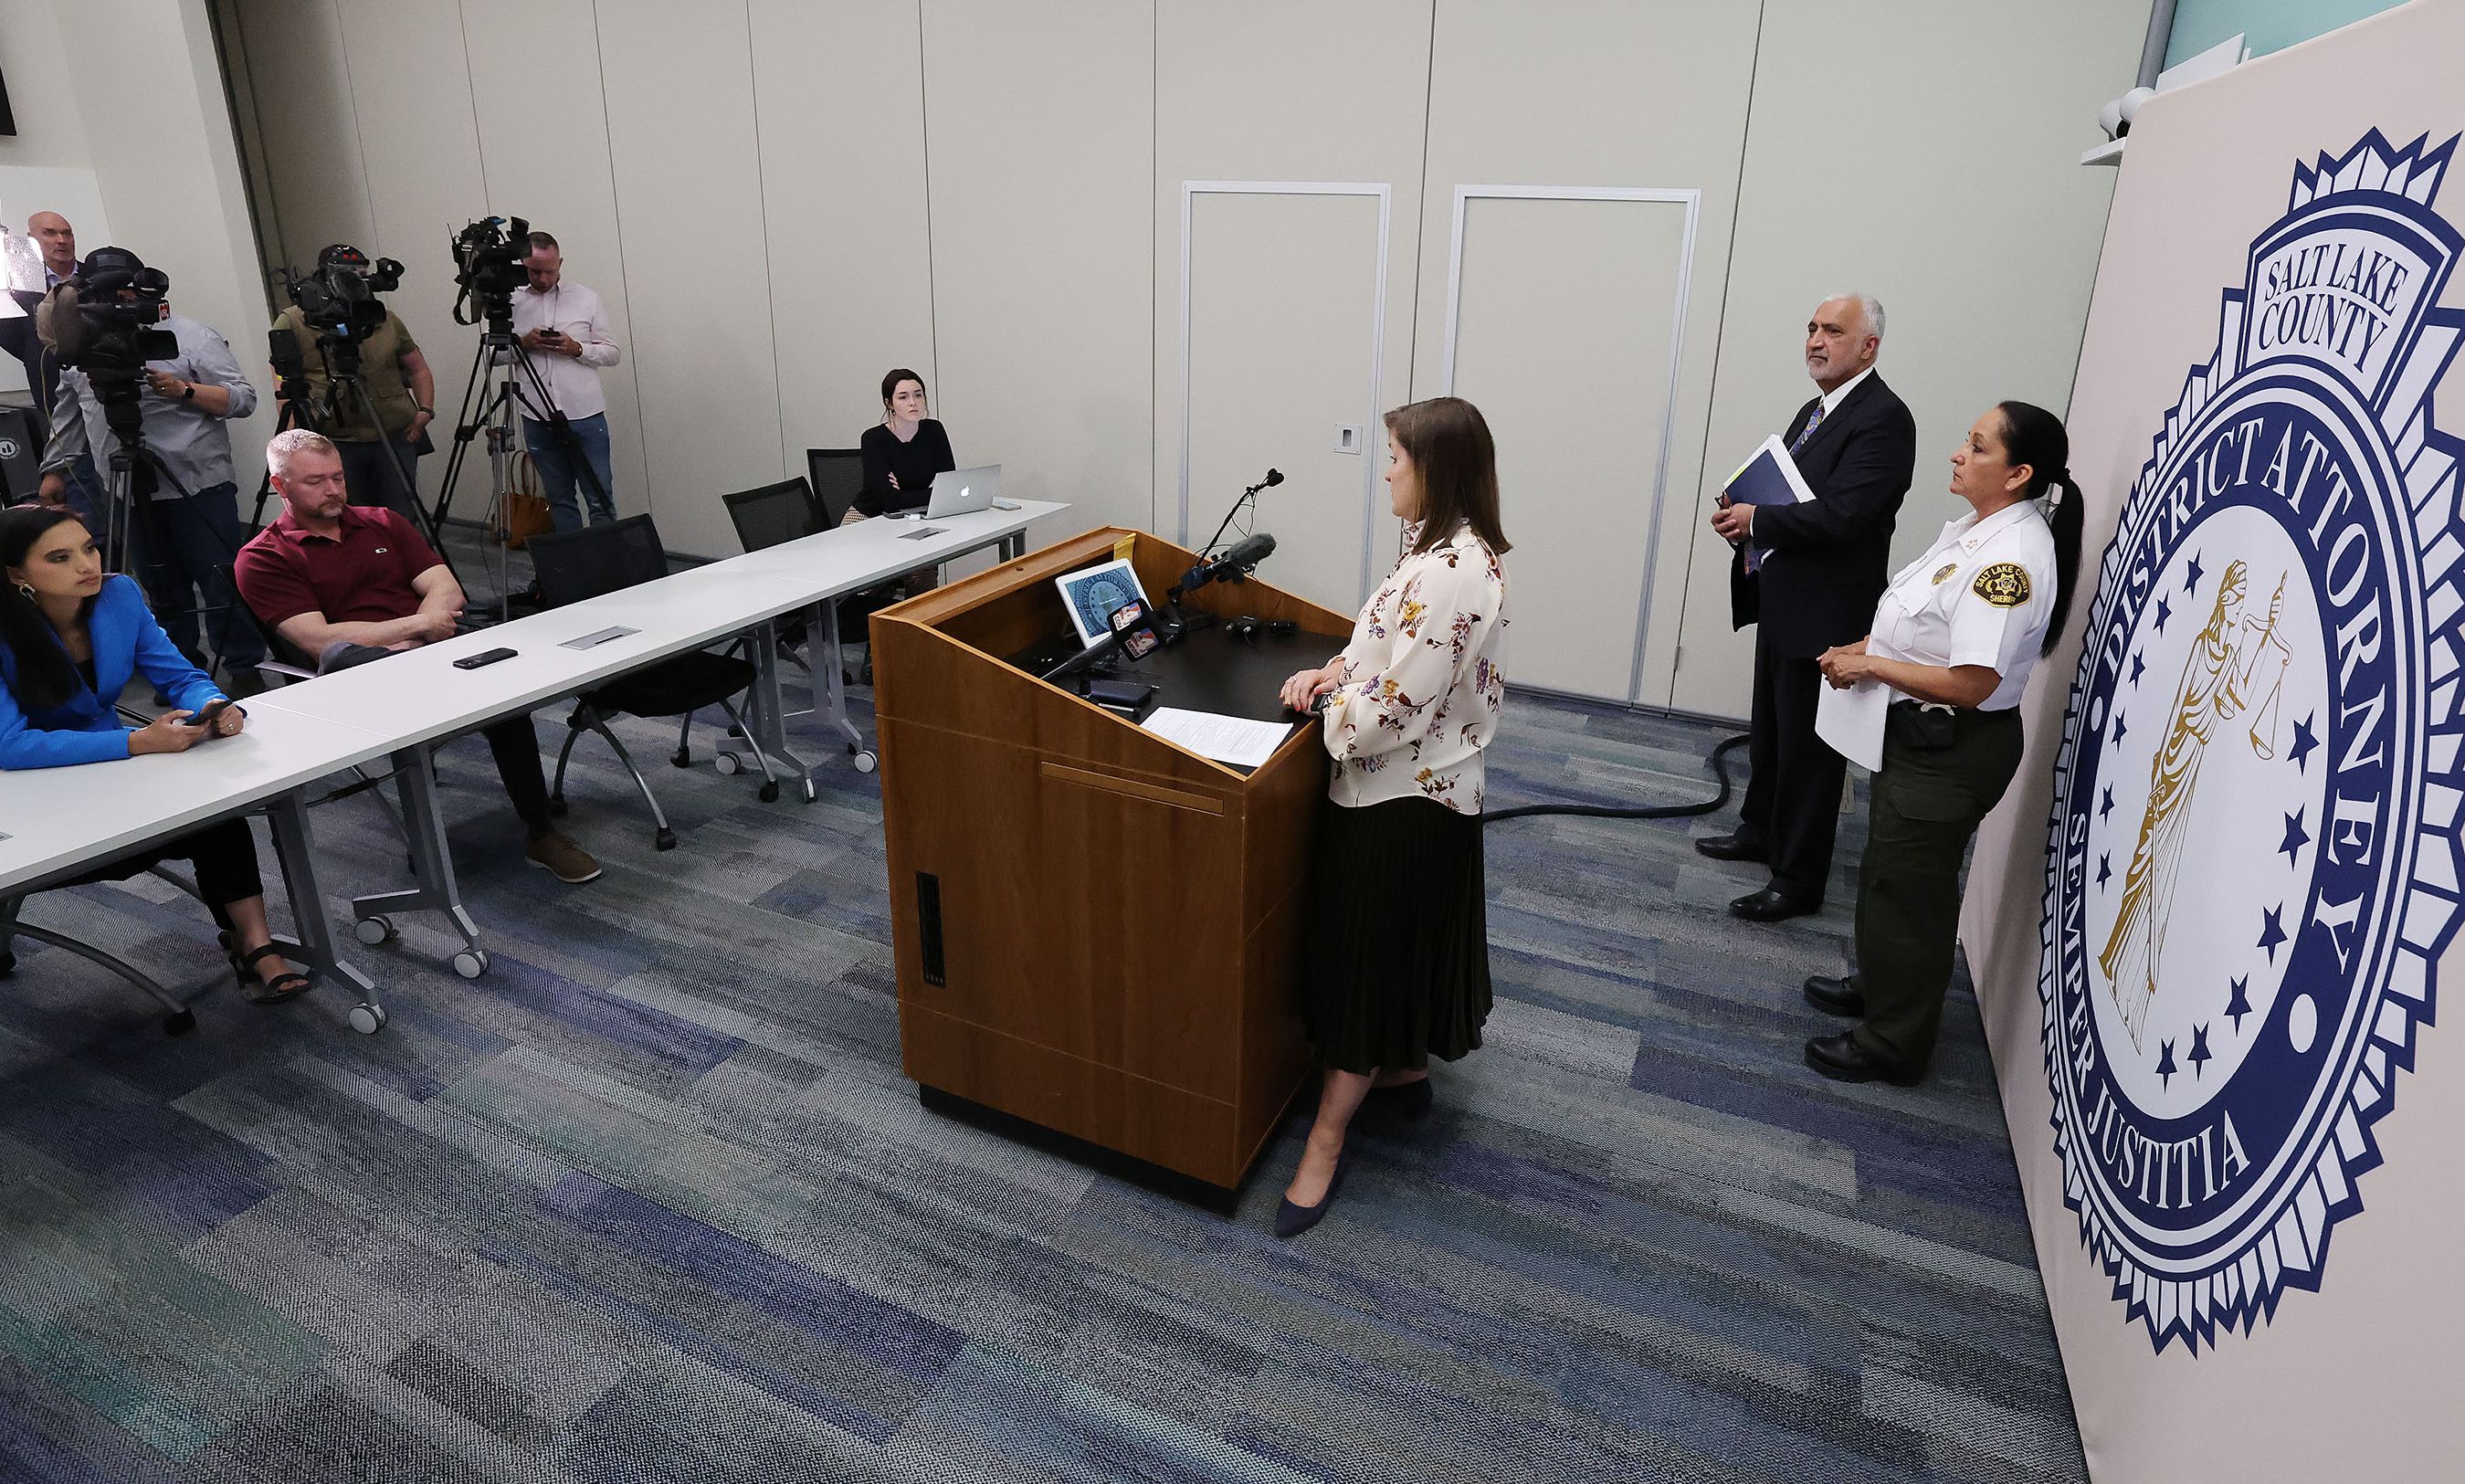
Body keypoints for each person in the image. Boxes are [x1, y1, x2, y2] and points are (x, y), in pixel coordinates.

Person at [1273, 395, 1511, 1237]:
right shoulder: (1441, 549)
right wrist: (1335, 665)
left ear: (1434, 470)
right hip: (1418, 789)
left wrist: (1325, 707)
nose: (1384, 473)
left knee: (1368, 958)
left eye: (1395, 460)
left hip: (1402, 796)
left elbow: (1395, 705)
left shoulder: (1452, 570)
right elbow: (1384, 642)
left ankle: (1326, 1141)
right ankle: (1402, 1068)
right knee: (1399, 944)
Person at [1801, 400, 2082, 1083]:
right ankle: (1882, 986)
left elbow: (1970, 682)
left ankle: (1893, 1044)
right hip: (1919, 737)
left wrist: (1867, 665)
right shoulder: (1972, 529)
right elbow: (1922, 624)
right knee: (1886, 871)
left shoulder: (2008, 560)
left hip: (1951, 746)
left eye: (1977, 447)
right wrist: (1868, 644)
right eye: (1965, 440)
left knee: (1912, 894)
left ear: (2017, 473)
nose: (1959, 452)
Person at [233, 430, 601, 884]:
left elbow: (446, 588)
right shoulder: (264, 556)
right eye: (316, 482)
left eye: (338, 477)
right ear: (280, 486)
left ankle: (541, 833)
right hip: (350, 680)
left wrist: (422, 634)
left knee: (507, 697)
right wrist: (417, 629)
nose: (333, 490)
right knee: (369, 662)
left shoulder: (382, 522)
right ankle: (433, 848)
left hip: (428, 652)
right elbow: (316, 638)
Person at [0, 503, 311, 1005]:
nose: (87, 565)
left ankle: (253, 946)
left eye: (89, 547)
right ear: (17, 575)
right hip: (29, 799)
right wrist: (137, 741)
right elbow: (9, 745)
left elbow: (181, 675)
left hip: (113, 774)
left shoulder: (117, 596)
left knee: (217, 815)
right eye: (60, 558)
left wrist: (212, 705)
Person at [1703, 292, 1916, 922]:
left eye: (1832, 330)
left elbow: (1846, 514)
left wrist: (1759, 516)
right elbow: (1799, 497)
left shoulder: (1883, 419)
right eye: (1811, 329)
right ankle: (1760, 830)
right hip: (1784, 597)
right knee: (1770, 729)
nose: (1815, 340)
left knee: (1808, 750)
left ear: (1868, 347)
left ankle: (1796, 879)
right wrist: (1747, 515)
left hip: (1827, 610)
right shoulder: (1815, 410)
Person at [36, 247, 268, 684]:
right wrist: (54, 471)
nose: (118, 301)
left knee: (219, 579)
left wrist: (185, 390)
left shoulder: (192, 335)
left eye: (124, 290)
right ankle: (179, 673)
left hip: (196, 480)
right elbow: (68, 417)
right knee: (157, 588)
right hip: (123, 487)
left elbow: (244, 399)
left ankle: (244, 666)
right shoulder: (80, 343)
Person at [271, 244, 437, 518]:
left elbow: (418, 368)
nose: (359, 282)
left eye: (362, 274)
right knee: (346, 518)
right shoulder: (294, 321)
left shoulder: (383, 319)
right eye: (349, 275)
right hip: (333, 439)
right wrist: (293, 443)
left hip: (393, 434)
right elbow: (282, 384)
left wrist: (425, 410)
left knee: (399, 517)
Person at [509, 231, 621, 533]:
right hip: (537, 415)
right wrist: (524, 344)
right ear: (523, 265)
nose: (544, 278)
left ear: (561, 263)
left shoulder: (586, 298)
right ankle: (576, 570)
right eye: (535, 271)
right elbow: (492, 357)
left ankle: (609, 570)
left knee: (600, 497)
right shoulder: (511, 300)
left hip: (585, 413)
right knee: (559, 500)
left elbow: (613, 354)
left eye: (550, 270)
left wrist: (578, 349)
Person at [850, 369, 954, 520]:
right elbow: (890, 501)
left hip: (913, 513)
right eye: (903, 397)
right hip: (869, 515)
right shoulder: (873, 439)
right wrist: (935, 494)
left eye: (918, 395)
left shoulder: (934, 430)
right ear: (889, 403)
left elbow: (949, 486)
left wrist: (903, 496)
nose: (913, 402)